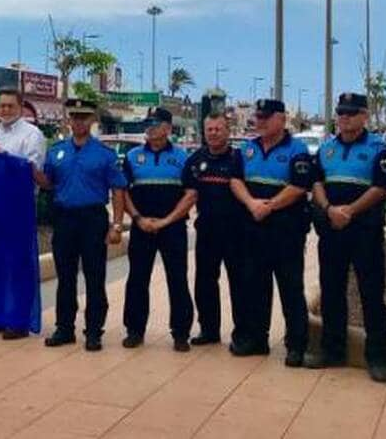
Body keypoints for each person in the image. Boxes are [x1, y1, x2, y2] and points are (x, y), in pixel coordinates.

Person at [305, 93, 386, 382]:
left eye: (351, 113)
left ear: (364, 116)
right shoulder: (327, 148)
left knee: (371, 294)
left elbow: (381, 188)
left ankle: (377, 358)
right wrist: (330, 209)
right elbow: (316, 181)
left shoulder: (378, 149)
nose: (344, 118)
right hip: (332, 231)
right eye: (341, 113)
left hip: (364, 232)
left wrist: (350, 212)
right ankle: (333, 351)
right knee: (332, 292)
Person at [230, 99, 314, 366]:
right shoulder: (247, 149)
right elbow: (235, 180)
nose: (261, 121)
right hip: (253, 228)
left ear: (282, 119)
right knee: (256, 287)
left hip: (286, 231)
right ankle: (257, 339)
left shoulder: (297, 150)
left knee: (290, 289)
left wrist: (270, 206)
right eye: (258, 117)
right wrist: (251, 203)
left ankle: (296, 346)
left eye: (267, 117)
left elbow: (300, 186)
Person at [41, 99, 127, 351]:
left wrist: (117, 225)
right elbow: (47, 182)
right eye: (74, 116)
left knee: (94, 277)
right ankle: (64, 328)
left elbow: (118, 190)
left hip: (92, 219)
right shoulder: (56, 151)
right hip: (65, 218)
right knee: (65, 277)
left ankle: (93, 332)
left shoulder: (104, 154)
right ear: (69, 119)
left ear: (92, 121)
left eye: (84, 117)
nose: (78, 121)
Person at [119, 107, 195, 352]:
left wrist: (166, 221)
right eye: (147, 123)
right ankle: (134, 330)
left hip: (172, 228)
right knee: (137, 279)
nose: (150, 128)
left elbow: (191, 194)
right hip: (142, 227)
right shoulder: (132, 156)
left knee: (177, 280)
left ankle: (181, 333)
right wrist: (138, 218)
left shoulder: (183, 158)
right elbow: (122, 191)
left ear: (168, 128)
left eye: (155, 123)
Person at [0, 89, 46, 339]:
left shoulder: (32, 134)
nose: (5, 110)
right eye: (2, 106)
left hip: (19, 207)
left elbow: (32, 169)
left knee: (18, 264)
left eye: (10, 106)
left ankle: (18, 320)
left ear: (20, 107)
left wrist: (4, 157)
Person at [182, 113, 250, 349]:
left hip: (236, 231)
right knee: (205, 282)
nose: (213, 133)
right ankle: (209, 330)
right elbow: (188, 194)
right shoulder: (195, 160)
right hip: (207, 230)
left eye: (218, 129)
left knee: (239, 283)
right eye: (209, 129)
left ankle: (242, 333)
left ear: (227, 131)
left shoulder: (239, 159)